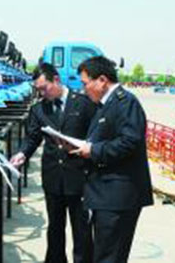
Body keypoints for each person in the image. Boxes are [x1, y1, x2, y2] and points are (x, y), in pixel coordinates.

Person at [10, 62, 96, 263]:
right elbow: (32, 137)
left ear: (56, 80)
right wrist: (22, 153)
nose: (42, 93)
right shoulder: (39, 109)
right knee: (55, 228)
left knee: (82, 231)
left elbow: (95, 135)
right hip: (53, 177)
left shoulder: (83, 103)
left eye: (44, 88)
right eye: (38, 90)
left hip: (79, 177)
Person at [71, 56, 153, 263]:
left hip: (119, 196)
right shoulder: (106, 104)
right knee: (102, 253)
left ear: (102, 80)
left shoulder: (126, 103)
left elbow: (129, 142)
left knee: (110, 256)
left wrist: (93, 150)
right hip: (105, 194)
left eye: (85, 83)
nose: (83, 89)